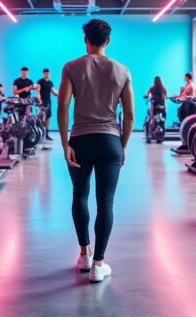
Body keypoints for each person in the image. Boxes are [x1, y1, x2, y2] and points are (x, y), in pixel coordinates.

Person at [58, 19, 135, 283]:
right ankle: (99, 265)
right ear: (108, 41)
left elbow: (63, 107)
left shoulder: (71, 67)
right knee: (106, 202)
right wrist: (122, 146)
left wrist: (65, 144)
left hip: (80, 140)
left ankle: (84, 254)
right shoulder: (122, 70)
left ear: (85, 40)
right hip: (110, 141)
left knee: (80, 196)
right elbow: (131, 116)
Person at [36, 68, 58, 141]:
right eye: (46, 73)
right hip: (42, 103)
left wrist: (60, 94)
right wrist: (39, 100)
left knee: (48, 118)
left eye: (48, 73)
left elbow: (54, 92)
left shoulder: (50, 82)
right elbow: (38, 92)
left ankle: (46, 135)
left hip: (48, 103)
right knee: (41, 119)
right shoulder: (40, 81)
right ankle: (38, 135)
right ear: (43, 74)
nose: (47, 74)